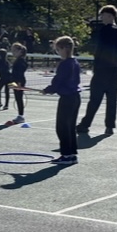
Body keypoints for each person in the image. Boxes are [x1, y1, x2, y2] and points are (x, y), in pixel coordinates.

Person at [77, 5, 117, 135]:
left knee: (95, 99)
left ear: (110, 16)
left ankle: (85, 124)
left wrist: (96, 66)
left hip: (102, 70)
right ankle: (109, 127)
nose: (101, 18)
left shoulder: (104, 30)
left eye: (103, 15)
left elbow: (100, 50)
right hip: (114, 71)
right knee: (112, 100)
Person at [42, 35, 82, 165]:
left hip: (67, 98)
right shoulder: (75, 62)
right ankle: (71, 154)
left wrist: (48, 89)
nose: (57, 52)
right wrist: (51, 89)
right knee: (70, 127)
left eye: (58, 50)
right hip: (75, 97)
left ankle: (66, 155)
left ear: (64, 48)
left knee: (62, 127)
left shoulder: (64, 64)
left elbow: (59, 81)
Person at [9, 42, 29, 124]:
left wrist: (19, 83)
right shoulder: (18, 60)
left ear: (20, 51)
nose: (13, 52)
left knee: (19, 98)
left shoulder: (21, 61)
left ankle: (21, 116)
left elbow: (20, 72)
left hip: (19, 81)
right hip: (15, 81)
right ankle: (20, 115)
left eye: (14, 50)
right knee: (17, 98)